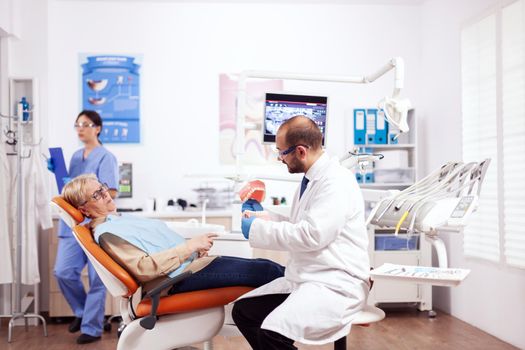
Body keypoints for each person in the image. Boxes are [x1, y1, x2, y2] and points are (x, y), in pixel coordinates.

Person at [232, 115, 370, 349]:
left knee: (271, 333)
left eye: (282, 152)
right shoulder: (312, 179)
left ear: (301, 151)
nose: (280, 158)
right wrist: (259, 216)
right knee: (244, 311)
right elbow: (299, 221)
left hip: (336, 284)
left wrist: (256, 229)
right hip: (308, 278)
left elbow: (312, 235)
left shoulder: (336, 182)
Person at [61, 174, 285, 297]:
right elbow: (144, 268)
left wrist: (193, 249)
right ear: (83, 209)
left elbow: (155, 247)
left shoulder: (117, 221)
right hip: (175, 281)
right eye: (96, 195)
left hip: (187, 269)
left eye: (103, 188)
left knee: (265, 266)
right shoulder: (107, 234)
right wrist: (189, 247)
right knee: (266, 270)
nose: (105, 195)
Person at [49, 110, 119, 344]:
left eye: (86, 124)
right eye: (77, 124)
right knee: (63, 272)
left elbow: (110, 192)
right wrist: (59, 174)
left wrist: (87, 193)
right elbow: (69, 191)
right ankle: (81, 312)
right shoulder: (76, 156)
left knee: (97, 278)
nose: (80, 128)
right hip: (72, 225)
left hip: (94, 224)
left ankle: (92, 327)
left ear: (97, 128)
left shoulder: (105, 157)